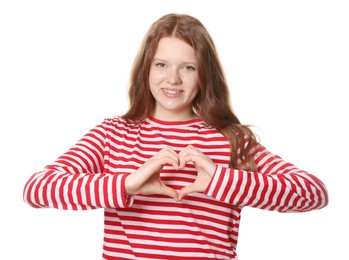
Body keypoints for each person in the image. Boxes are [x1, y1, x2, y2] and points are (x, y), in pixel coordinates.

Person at [23, 13, 329, 260]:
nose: (173, 79)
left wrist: (223, 181)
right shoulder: (112, 134)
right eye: (161, 65)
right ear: (146, 69)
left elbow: (312, 193)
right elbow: (38, 189)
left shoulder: (231, 139)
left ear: (205, 75)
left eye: (188, 67)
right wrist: (128, 183)